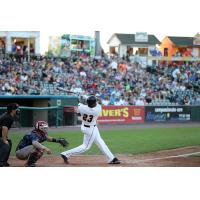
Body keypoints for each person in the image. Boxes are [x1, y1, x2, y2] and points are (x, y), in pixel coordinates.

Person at [60, 95, 120, 164]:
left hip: (86, 127)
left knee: (100, 142)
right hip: (90, 129)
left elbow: (80, 103)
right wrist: (87, 99)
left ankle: (111, 158)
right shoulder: (97, 109)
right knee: (85, 147)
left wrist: (82, 100)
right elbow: (97, 103)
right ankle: (65, 154)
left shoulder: (82, 107)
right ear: (93, 103)